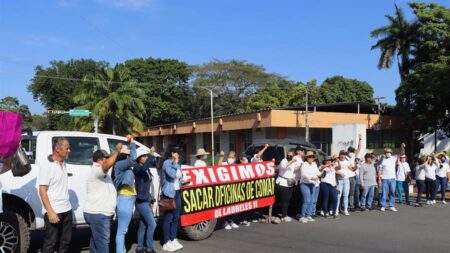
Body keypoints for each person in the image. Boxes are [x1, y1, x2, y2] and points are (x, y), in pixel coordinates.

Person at [84, 143, 123, 253]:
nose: (109, 160)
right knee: (102, 242)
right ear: (99, 160)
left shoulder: (101, 173)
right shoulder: (97, 170)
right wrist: (117, 152)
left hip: (98, 213)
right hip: (99, 214)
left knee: (96, 241)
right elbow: (106, 166)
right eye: (106, 158)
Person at [38, 137, 72, 253]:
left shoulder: (63, 162)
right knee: (50, 243)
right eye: (67, 148)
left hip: (67, 209)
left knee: (65, 242)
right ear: (58, 149)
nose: (69, 150)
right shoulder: (47, 166)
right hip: (54, 211)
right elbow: (42, 190)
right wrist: (50, 212)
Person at [114, 136, 137, 253]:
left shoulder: (122, 166)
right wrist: (132, 143)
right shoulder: (119, 165)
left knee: (123, 230)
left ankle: (121, 250)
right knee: (122, 231)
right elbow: (134, 158)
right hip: (125, 199)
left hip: (127, 199)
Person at [134, 146, 158, 253]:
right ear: (138, 158)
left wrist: (151, 199)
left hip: (146, 199)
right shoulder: (137, 167)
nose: (145, 158)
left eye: (145, 156)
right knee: (152, 224)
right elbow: (144, 168)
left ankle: (139, 247)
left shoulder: (146, 168)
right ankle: (149, 248)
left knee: (143, 225)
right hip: (141, 200)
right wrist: (151, 155)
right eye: (143, 156)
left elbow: (149, 185)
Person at [161, 146, 185, 252]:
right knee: (168, 218)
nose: (179, 155)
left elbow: (179, 177)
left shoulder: (178, 164)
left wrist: (183, 182)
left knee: (176, 217)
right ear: (172, 153)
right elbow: (171, 175)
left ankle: (173, 238)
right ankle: (166, 242)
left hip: (177, 192)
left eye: (179, 153)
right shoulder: (167, 163)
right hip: (168, 193)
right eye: (177, 153)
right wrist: (175, 162)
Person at [377, 144, 405, 212]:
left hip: (392, 178)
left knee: (392, 192)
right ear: (385, 153)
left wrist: (402, 147)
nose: (389, 153)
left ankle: (392, 206)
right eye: (387, 152)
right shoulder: (382, 160)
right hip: (385, 178)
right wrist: (379, 179)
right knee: (384, 193)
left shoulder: (394, 158)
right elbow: (379, 170)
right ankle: (383, 205)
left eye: (390, 152)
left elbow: (402, 153)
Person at [298, 151, 321, 223]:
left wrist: (322, 173)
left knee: (311, 200)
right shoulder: (304, 164)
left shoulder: (314, 164)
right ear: (307, 158)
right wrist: (311, 178)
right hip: (305, 184)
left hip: (313, 184)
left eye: (312, 157)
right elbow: (304, 174)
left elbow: (318, 173)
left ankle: (308, 215)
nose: (311, 158)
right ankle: (302, 216)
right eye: (309, 157)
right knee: (307, 200)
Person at [275, 149, 297, 222]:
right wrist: (292, 161)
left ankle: (283, 213)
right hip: (282, 183)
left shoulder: (292, 163)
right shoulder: (284, 160)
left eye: (291, 155)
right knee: (284, 200)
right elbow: (284, 167)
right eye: (288, 155)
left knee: (288, 199)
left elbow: (293, 171)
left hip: (289, 183)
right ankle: (284, 215)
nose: (289, 156)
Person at [220, 150, 240, 230]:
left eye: (232, 157)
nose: (231, 159)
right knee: (226, 206)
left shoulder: (235, 165)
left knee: (232, 206)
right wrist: (221, 157)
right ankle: (225, 222)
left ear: (235, 158)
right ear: (227, 157)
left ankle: (231, 220)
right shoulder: (224, 164)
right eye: (229, 157)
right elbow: (218, 166)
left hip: (233, 188)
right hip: (225, 188)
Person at [335, 150, 354, 216]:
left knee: (346, 195)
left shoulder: (347, 162)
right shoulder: (336, 161)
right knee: (338, 196)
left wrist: (357, 165)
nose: (343, 156)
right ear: (339, 155)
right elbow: (334, 170)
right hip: (339, 180)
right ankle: (336, 210)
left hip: (346, 180)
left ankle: (345, 210)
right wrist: (339, 173)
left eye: (344, 155)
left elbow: (352, 169)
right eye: (342, 154)